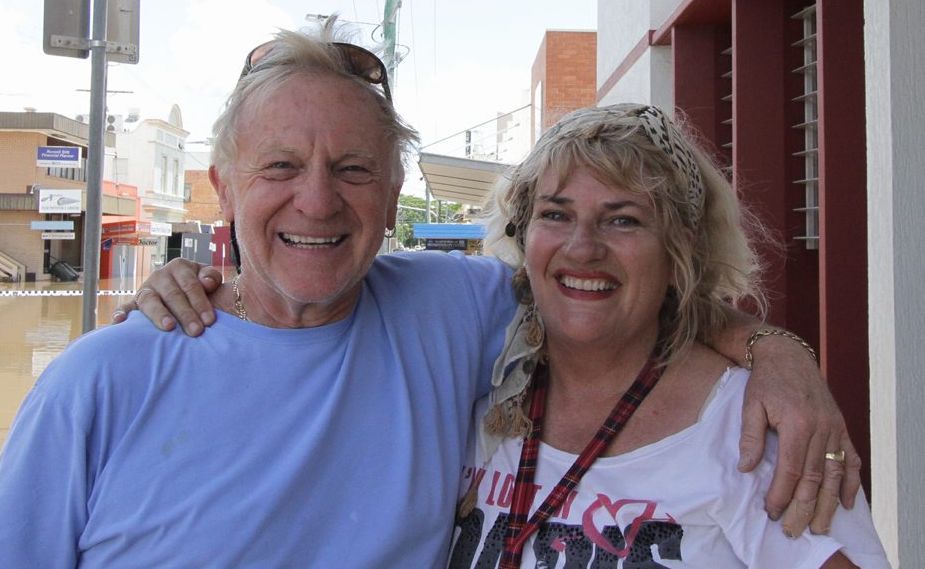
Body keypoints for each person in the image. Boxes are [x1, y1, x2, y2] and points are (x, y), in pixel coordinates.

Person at [0, 19, 854, 568]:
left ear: (394, 185)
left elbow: (607, 295)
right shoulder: (99, 384)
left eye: (353, 168)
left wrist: (780, 353)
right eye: (281, 167)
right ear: (222, 185)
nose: (318, 199)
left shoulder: (454, 306)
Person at [446, 104, 888, 568]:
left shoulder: (752, 430)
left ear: (682, 252)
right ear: (523, 233)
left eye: (623, 220)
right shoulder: (477, 389)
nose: (582, 248)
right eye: (556, 214)